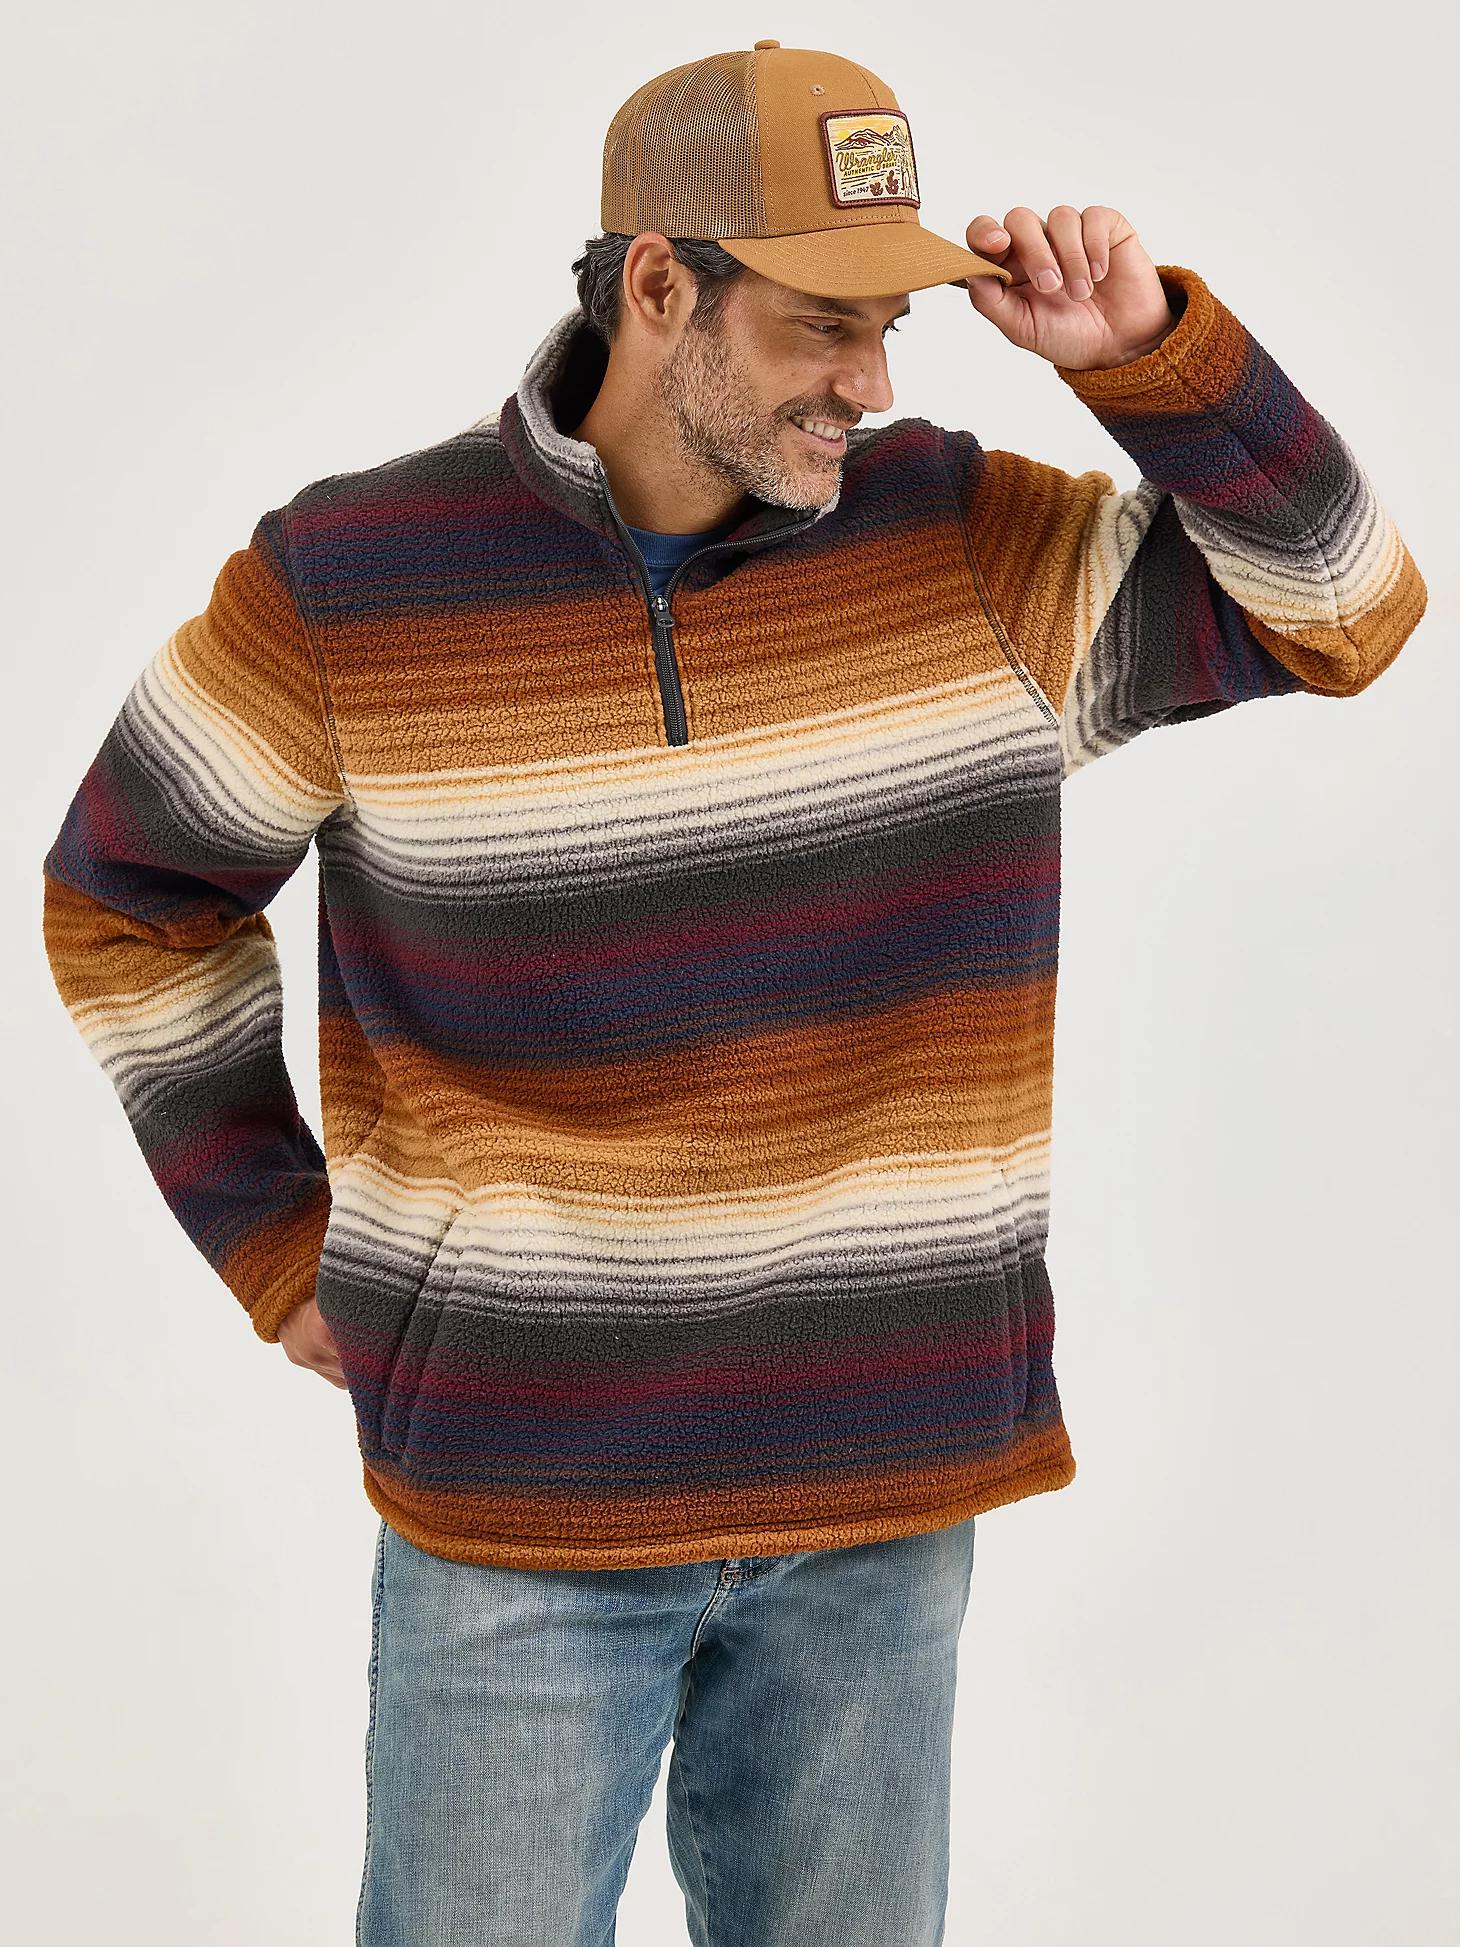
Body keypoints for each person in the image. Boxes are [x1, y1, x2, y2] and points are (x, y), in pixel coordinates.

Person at [40, 39, 1427, 1947]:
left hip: (885, 1488)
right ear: (657, 284)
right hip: (520, 1504)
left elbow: (1347, 611)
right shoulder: (349, 583)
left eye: (892, 327)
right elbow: (129, 895)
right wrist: (279, 1244)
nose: (872, 383)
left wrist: (1147, 362)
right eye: (820, 325)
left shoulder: (965, 541)